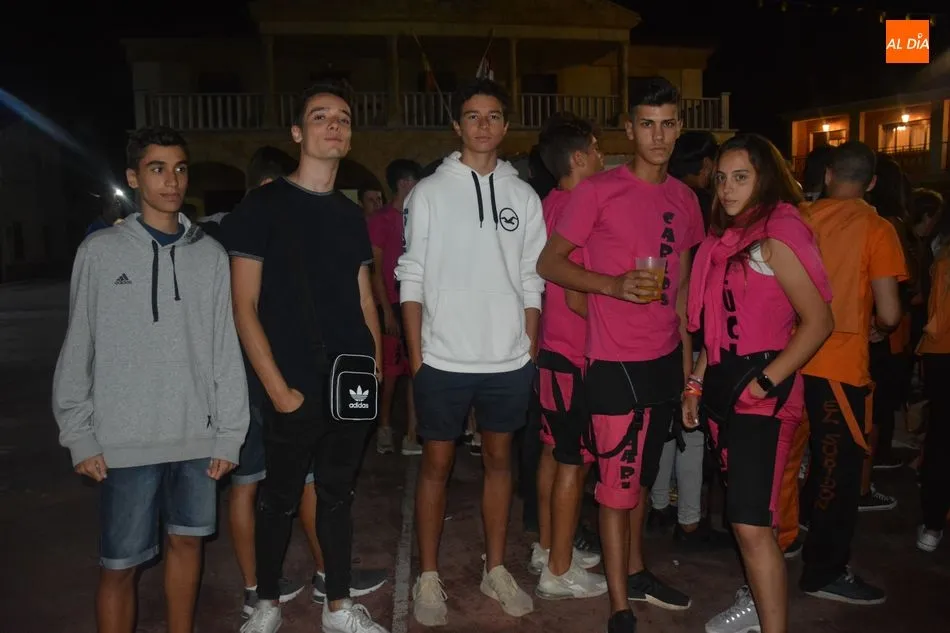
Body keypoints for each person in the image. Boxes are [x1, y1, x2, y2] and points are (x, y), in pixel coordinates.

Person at [52, 126, 250, 633]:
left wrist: (229, 433)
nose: (171, 181)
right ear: (134, 177)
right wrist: (79, 435)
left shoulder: (210, 255)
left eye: (180, 169)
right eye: (157, 169)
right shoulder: (100, 252)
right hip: (124, 441)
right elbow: (79, 345)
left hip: (196, 437)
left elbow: (224, 349)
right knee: (120, 567)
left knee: (187, 546)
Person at [537, 76, 699, 633]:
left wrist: (689, 374)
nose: (658, 136)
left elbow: (681, 292)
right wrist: (611, 286)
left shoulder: (686, 199)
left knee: (644, 482)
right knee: (614, 486)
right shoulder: (597, 191)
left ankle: (636, 571)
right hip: (612, 362)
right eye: (647, 124)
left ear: (679, 128)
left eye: (668, 124)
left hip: (663, 360)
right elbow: (550, 263)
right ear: (629, 129)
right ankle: (619, 605)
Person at [228, 82, 389, 633]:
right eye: (320, 116)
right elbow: (243, 305)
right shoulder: (263, 205)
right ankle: (267, 603)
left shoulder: (349, 215)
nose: (334, 125)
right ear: (298, 133)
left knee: (338, 495)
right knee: (278, 498)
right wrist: (277, 389)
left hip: (350, 381)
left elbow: (363, 297)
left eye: (342, 117)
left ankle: (338, 606)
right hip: (292, 381)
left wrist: (373, 367)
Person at [398, 78, 545, 626]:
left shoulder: (523, 196)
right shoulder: (429, 192)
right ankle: (428, 574)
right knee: (436, 464)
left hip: (508, 359)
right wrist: (418, 359)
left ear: (505, 126)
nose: (483, 125)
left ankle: (495, 567)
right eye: (473, 116)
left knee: (501, 463)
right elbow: (411, 274)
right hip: (443, 358)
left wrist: (528, 348)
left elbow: (531, 278)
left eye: (493, 116)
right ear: (457, 125)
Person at [690, 134, 833, 633]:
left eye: (741, 177)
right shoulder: (727, 240)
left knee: (749, 522)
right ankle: (755, 605)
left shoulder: (777, 236)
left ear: (765, 179)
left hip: (763, 394)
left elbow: (819, 322)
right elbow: (716, 329)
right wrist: (695, 383)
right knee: (751, 516)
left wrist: (765, 383)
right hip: (725, 388)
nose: (727, 189)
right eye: (722, 178)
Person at [797, 141, 905, 605]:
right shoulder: (877, 228)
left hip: (786, 359)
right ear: (872, 182)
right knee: (837, 472)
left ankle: (791, 535)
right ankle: (824, 571)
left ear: (828, 175)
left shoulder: (799, 217)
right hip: (837, 365)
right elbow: (891, 312)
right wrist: (879, 325)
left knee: (789, 464)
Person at [531, 113, 606, 601]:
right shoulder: (582, 207)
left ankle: (548, 548)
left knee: (553, 453)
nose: (603, 157)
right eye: (597, 149)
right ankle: (559, 571)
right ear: (579, 158)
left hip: (551, 350)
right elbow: (578, 296)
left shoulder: (549, 202)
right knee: (573, 462)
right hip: (574, 352)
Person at [648, 130, 726, 549]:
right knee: (691, 427)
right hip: (691, 324)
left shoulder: (662, 195)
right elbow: (692, 279)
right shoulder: (701, 205)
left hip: (660, 324)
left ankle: (660, 505)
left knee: (665, 422)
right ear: (707, 164)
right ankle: (690, 521)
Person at [369, 158, 423, 456]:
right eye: (416, 181)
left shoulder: (419, 216)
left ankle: (412, 435)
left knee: (416, 369)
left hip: (415, 304)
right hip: (391, 302)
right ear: (404, 183)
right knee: (390, 373)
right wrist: (387, 312)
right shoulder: (381, 220)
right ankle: (384, 428)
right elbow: (375, 269)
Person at [916, 212, 950, 553]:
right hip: (942, 350)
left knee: (940, 437)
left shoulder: (941, 251)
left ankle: (932, 524)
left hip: (941, 352)